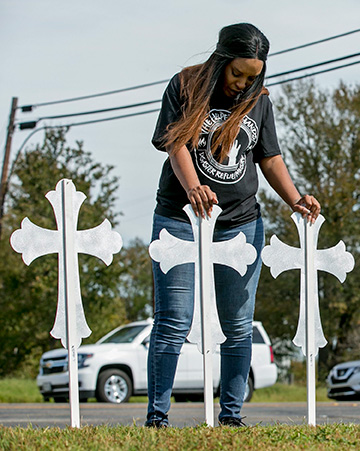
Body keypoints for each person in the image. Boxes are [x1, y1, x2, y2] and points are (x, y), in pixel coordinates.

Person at [146, 23, 320, 428]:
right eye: (236, 73)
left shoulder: (258, 100)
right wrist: (194, 188)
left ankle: (232, 417)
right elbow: (176, 143)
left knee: (239, 323)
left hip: (240, 223)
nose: (242, 83)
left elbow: (270, 158)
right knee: (174, 318)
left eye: (252, 76)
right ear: (222, 60)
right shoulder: (186, 85)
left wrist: (294, 199)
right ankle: (157, 418)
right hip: (179, 218)